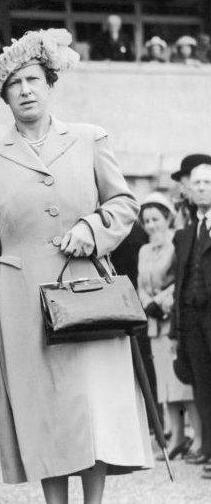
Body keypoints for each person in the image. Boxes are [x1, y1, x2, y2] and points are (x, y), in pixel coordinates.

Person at [0, 29, 150, 504]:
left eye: (33, 80)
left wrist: (92, 230)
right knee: (44, 409)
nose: (25, 90)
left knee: (91, 405)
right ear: (4, 97)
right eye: (14, 84)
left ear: (50, 85)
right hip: (21, 299)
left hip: (86, 289)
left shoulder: (89, 139)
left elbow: (125, 205)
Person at [137, 193, 199, 460]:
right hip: (154, 324)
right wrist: (146, 302)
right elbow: (140, 284)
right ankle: (175, 436)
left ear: (167, 218)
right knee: (164, 384)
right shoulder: (143, 250)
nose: (151, 225)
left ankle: (197, 436)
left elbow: (182, 280)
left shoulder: (177, 242)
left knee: (181, 383)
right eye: (147, 220)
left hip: (173, 321)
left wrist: (161, 301)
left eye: (156, 219)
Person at [170, 162, 211, 470]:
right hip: (193, 322)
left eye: (208, 182)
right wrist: (177, 330)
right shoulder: (187, 233)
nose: (200, 187)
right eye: (196, 182)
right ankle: (209, 449)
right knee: (201, 385)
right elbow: (180, 283)